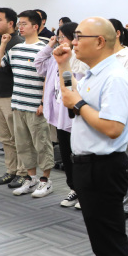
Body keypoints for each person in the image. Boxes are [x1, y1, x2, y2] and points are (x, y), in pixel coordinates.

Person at [54, 17, 128, 256]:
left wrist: (80, 103)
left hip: (105, 167)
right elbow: (70, 98)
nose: (73, 42)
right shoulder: (92, 73)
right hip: (87, 166)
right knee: (101, 243)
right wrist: (63, 66)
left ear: (100, 41)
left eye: (79, 37)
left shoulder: (115, 77)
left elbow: (112, 127)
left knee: (112, 245)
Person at [0, 10, 54, 197]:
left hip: (35, 106)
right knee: (23, 145)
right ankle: (31, 179)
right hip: (18, 104)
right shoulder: (16, 49)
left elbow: (49, 79)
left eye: (24, 24)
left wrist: (43, 103)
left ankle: (45, 181)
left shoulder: (45, 48)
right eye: (19, 24)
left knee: (42, 145)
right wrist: (3, 44)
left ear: (35, 26)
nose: (20, 27)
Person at [35, 22, 88, 209]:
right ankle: (74, 188)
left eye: (62, 37)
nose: (59, 40)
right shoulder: (56, 56)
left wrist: (65, 64)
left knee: (79, 156)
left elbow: (70, 84)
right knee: (66, 154)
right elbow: (38, 64)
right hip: (59, 116)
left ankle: (84, 192)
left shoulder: (78, 59)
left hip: (74, 115)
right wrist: (50, 46)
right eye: (58, 37)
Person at [0, 7, 27, 188]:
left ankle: (24, 173)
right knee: (4, 137)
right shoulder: (0, 38)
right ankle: (11, 170)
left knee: (18, 138)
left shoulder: (18, 43)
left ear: (11, 23)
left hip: (11, 96)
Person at [109, 18, 128, 220]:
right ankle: (112, 201)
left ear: (118, 33)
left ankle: (127, 205)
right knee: (110, 165)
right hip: (103, 119)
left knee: (125, 163)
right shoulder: (103, 57)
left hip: (121, 120)